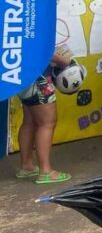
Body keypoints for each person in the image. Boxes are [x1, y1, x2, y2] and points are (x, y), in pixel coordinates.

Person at [16, 44, 75, 184]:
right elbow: (40, 51)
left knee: (29, 121)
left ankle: (27, 166)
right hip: (39, 77)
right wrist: (62, 61)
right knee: (47, 123)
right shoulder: (35, 25)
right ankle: (46, 171)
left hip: (24, 74)